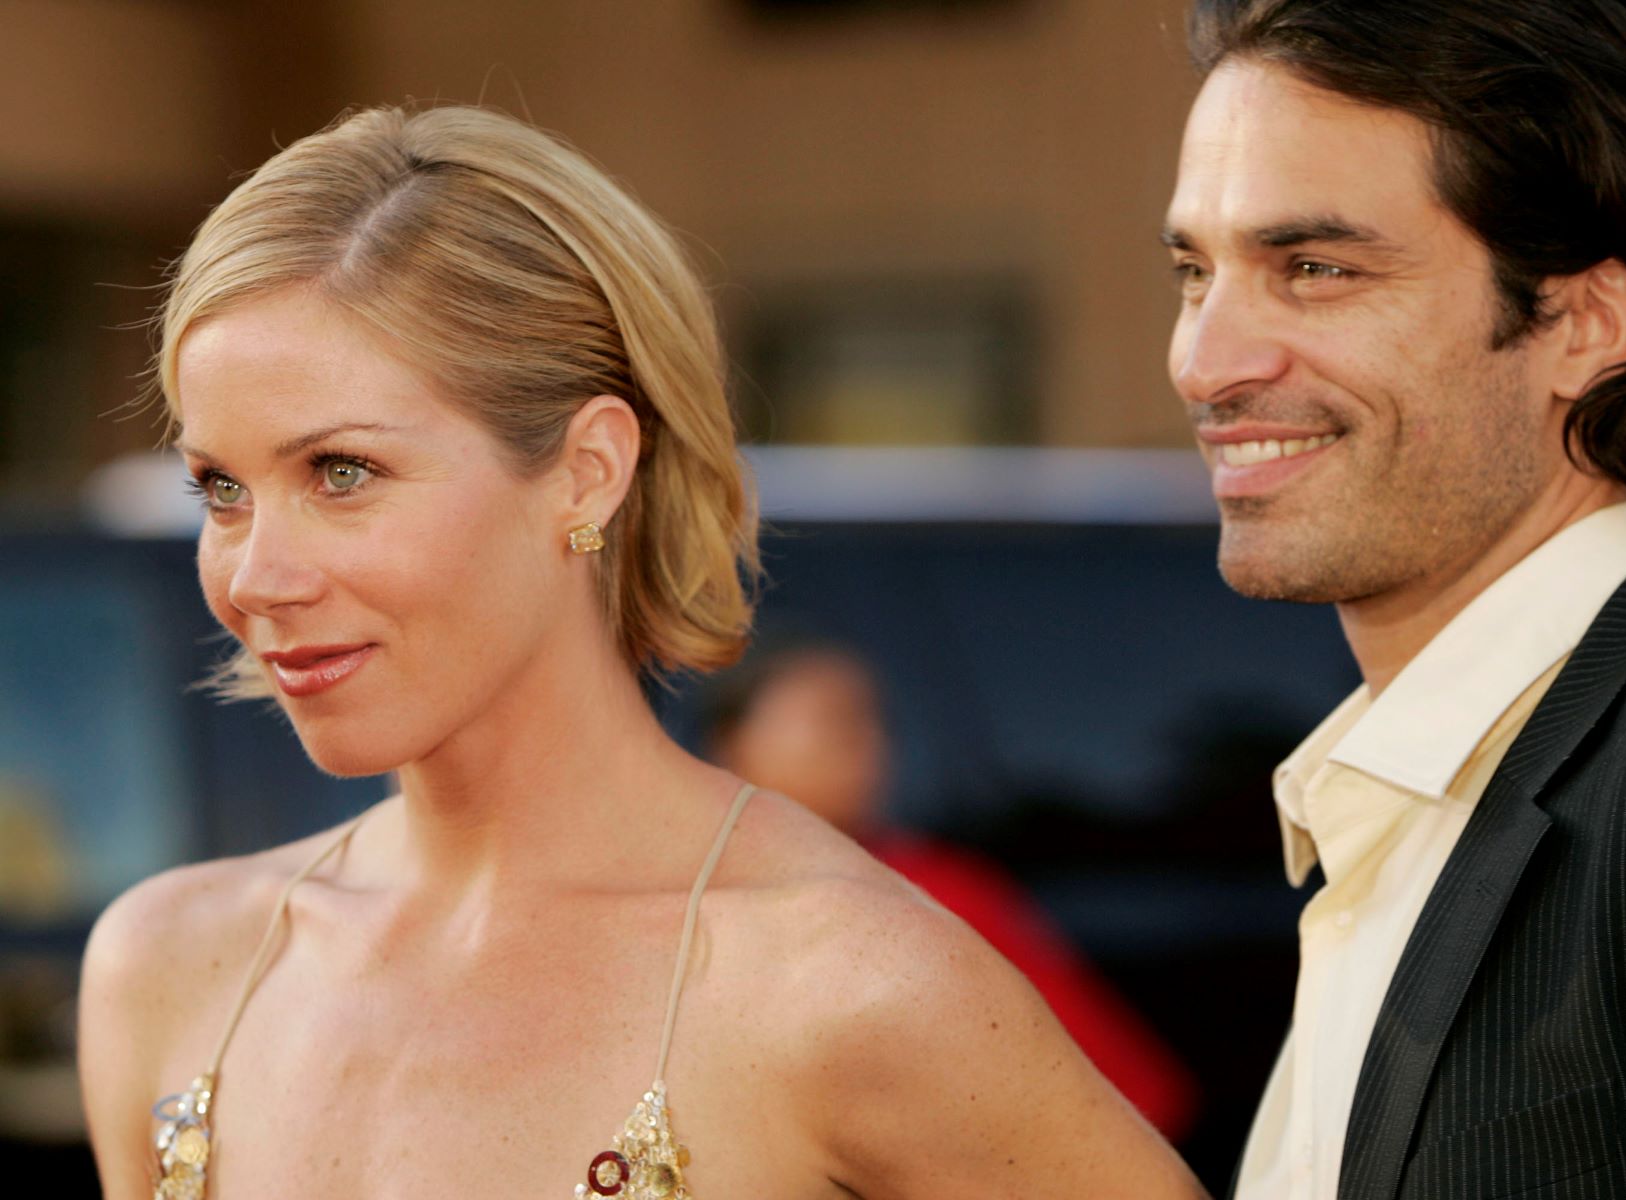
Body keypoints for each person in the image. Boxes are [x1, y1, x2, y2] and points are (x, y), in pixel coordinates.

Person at [76, 105, 1205, 1200]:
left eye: (341, 473)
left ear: (587, 471)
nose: (256, 576)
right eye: (221, 489)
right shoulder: (174, 967)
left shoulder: (844, 985)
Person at [1162, 2, 1626, 1197]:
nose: (1206, 360)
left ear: (1586, 321)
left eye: (1315, 269)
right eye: (1196, 271)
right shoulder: (1395, 811)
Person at [699, 634, 1201, 1138]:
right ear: (728, 742)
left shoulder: (940, 892)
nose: (872, 746)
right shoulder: (673, 901)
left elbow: (1130, 1093)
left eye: (877, 723)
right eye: (836, 723)